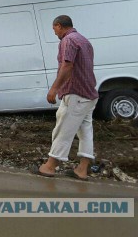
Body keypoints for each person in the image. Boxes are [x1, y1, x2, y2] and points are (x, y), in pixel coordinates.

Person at [33, 15, 99, 180]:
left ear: (59, 25)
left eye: (54, 28)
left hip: (75, 94)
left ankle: (50, 166)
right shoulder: (84, 41)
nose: (54, 32)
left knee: (63, 130)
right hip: (89, 94)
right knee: (85, 133)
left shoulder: (68, 40)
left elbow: (67, 65)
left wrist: (54, 89)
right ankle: (82, 169)